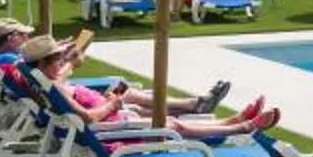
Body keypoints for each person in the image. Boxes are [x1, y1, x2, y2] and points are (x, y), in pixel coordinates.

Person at [19, 31, 276, 136]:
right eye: (57, 58)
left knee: (147, 103)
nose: (61, 60)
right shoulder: (52, 87)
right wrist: (112, 104)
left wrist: (69, 61)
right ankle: (243, 127)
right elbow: (86, 118)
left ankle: (231, 120)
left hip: (109, 115)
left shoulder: (43, 81)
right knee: (170, 124)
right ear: (43, 64)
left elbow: (62, 78)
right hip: (107, 127)